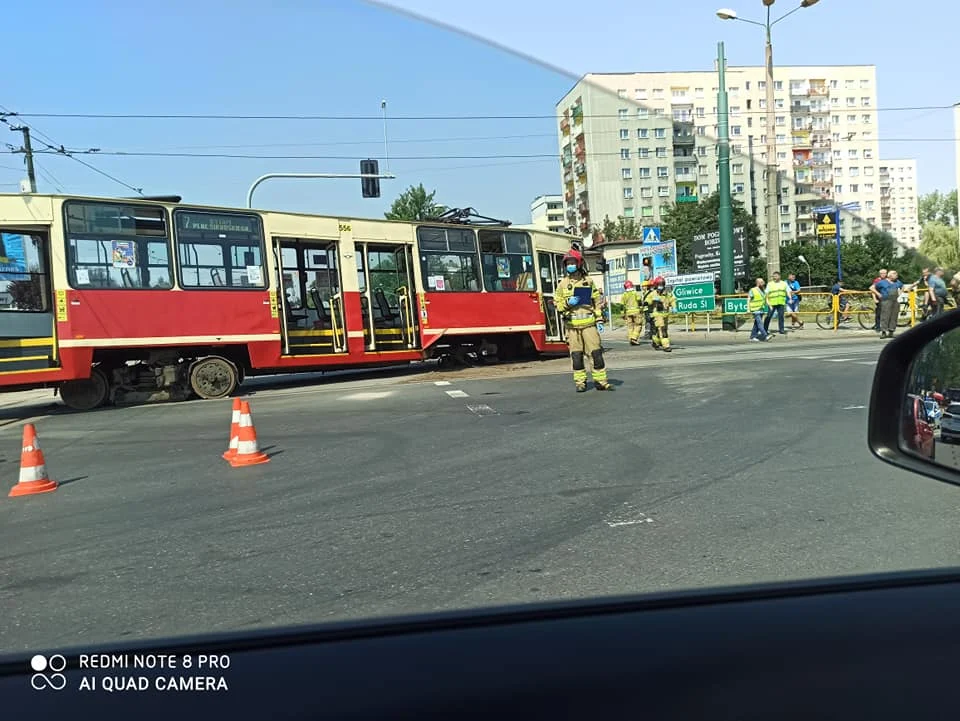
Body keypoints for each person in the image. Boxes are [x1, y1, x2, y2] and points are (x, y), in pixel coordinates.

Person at [555, 249, 613, 392]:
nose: (570, 265)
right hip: (572, 327)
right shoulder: (562, 284)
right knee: (576, 356)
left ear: (579, 263)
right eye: (568, 263)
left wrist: (599, 320)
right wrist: (569, 303)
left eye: (572, 262)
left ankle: (601, 381)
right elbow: (557, 304)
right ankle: (580, 382)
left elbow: (597, 302)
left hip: (589, 325)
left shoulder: (588, 282)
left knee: (596, 354)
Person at [646, 276, 673, 352]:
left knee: (659, 331)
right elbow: (648, 300)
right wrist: (648, 302)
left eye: (662, 285)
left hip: (665, 315)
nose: (660, 287)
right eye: (659, 285)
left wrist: (674, 307)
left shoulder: (667, 293)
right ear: (656, 285)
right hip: (657, 315)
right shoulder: (653, 293)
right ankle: (666, 346)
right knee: (663, 330)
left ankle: (655, 341)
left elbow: (672, 300)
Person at [763, 271, 791, 335]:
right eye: (773, 276)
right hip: (772, 303)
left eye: (775, 276)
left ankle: (781, 330)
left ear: (779, 276)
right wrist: (768, 302)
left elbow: (788, 291)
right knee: (769, 316)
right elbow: (766, 293)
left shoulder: (784, 283)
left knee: (781, 316)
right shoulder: (770, 284)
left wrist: (790, 298)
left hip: (781, 303)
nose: (774, 277)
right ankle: (765, 329)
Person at [747, 277, 770, 342]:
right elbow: (748, 299)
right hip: (755, 310)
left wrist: (769, 306)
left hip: (761, 309)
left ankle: (752, 337)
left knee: (756, 324)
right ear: (758, 283)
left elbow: (765, 299)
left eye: (763, 282)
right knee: (760, 323)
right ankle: (765, 335)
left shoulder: (763, 290)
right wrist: (748, 309)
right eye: (762, 282)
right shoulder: (753, 290)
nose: (763, 283)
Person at [621, 280, 642, 345]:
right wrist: (641, 308)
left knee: (630, 326)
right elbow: (639, 301)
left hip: (628, 312)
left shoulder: (624, 294)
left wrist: (622, 313)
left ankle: (631, 339)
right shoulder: (635, 293)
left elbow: (622, 305)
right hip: (636, 311)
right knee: (638, 325)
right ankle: (634, 338)